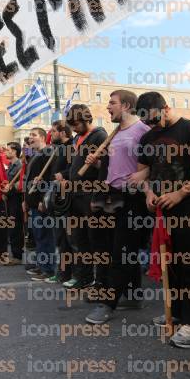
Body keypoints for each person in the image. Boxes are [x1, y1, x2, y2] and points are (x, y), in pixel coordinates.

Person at [136, 91, 190, 349]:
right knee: (171, 265)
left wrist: (180, 193)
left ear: (166, 107)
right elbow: (143, 173)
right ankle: (179, 313)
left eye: (154, 119)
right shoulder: (148, 137)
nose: (152, 125)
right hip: (162, 211)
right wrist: (148, 193)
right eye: (147, 122)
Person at [84, 90, 150, 324]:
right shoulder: (115, 133)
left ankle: (108, 304)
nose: (108, 107)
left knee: (122, 250)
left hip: (132, 197)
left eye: (112, 103)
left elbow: (156, 160)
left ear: (127, 106)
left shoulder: (142, 130)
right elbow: (116, 165)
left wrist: (144, 172)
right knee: (115, 248)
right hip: (110, 194)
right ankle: (133, 295)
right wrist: (99, 163)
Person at [64, 104, 108, 289]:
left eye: (76, 124)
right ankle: (84, 277)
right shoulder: (77, 139)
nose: (73, 128)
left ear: (85, 119)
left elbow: (106, 166)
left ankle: (101, 281)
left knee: (95, 239)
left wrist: (98, 195)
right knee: (79, 238)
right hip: (75, 194)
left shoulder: (99, 135)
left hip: (89, 193)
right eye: (71, 125)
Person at [23, 128, 56, 281]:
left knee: (45, 236)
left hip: (41, 203)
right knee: (38, 235)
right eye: (29, 135)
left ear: (42, 137)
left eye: (33, 135)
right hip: (33, 203)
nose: (30, 138)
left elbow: (50, 179)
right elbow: (29, 180)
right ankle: (41, 265)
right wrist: (25, 200)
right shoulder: (35, 156)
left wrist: (44, 199)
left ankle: (48, 269)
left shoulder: (49, 153)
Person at [46, 121, 74, 284]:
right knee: (59, 238)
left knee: (67, 239)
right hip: (56, 197)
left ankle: (68, 273)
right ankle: (62, 271)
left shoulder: (71, 147)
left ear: (63, 133)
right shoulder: (58, 149)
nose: (51, 134)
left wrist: (62, 175)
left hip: (66, 198)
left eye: (54, 131)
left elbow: (74, 168)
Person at [4, 141, 24, 266]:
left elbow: (20, 183)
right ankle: (15, 254)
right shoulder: (11, 166)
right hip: (9, 200)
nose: (6, 152)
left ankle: (17, 255)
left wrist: (11, 188)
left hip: (16, 200)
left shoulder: (19, 165)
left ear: (15, 151)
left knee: (15, 228)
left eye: (8, 150)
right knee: (11, 227)